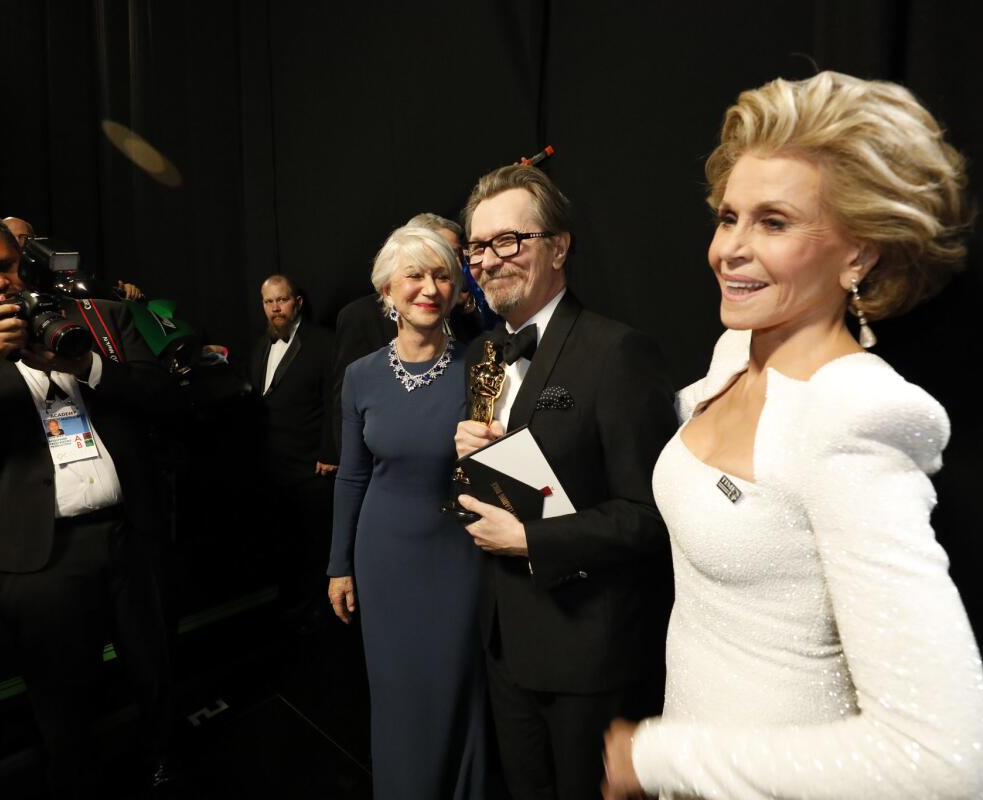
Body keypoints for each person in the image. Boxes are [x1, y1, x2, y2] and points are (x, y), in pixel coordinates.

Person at [601, 71, 983, 800]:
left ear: (860, 255)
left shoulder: (852, 420)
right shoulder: (735, 356)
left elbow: (947, 765)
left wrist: (659, 758)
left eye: (774, 223)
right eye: (729, 217)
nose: (730, 249)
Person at [0, 207, 179, 795]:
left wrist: (85, 364)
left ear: (19, 254)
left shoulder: (100, 318)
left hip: (127, 531)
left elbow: (166, 398)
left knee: (153, 663)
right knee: (61, 691)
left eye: (5, 265)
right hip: (35, 554)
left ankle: (163, 757)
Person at [453, 165, 676, 799]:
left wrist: (531, 539)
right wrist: (468, 458)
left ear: (559, 245)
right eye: (477, 246)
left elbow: (650, 517)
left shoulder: (617, 353)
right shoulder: (483, 354)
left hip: (586, 652)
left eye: (509, 240)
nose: (490, 260)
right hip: (504, 642)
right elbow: (506, 479)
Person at [327, 224, 487, 799]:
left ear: (457, 290)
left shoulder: (482, 367)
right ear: (387, 292)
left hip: (459, 554)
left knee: (455, 688)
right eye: (414, 275)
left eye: (442, 275)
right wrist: (338, 565)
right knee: (395, 694)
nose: (428, 287)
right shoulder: (361, 376)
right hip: (384, 556)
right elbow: (352, 475)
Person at [330, 212, 484, 457]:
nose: (431, 288)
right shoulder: (360, 322)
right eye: (416, 273)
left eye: (455, 255)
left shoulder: (470, 331)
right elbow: (348, 416)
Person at [248, 274, 337, 618]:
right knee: (286, 546)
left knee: (315, 548)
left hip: (312, 467)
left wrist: (331, 450)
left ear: (297, 302)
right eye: (269, 302)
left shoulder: (323, 342)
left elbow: (335, 399)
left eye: (281, 300)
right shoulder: (260, 346)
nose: (275, 308)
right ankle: (293, 613)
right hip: (276, 468)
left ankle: (320, 616)